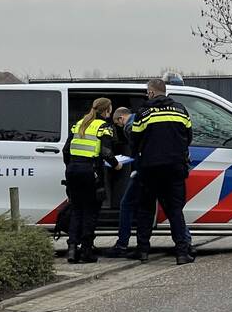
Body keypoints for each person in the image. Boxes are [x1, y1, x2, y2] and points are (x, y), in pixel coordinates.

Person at [131, 78, 194, 265]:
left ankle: (142, 251)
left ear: (151, 92)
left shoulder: (143, 112)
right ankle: (182, 253)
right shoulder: (181, 110)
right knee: (175, 211)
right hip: (175, 168)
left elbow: (135, 140)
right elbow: (189, 137)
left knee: (146, 210)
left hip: (150, 169)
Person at [62, 97, 122, 264]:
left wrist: (71, 167)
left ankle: (72, 249)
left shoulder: (79, 123)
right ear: (106, 111)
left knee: (76, 210)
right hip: (91, 173)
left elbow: (66, 151)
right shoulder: (104, 126)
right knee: (90, 212)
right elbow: (106, 153)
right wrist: (117, 165)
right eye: (110, 109)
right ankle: (86, 251)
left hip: (73, 171)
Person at [107, 107, 138, 258]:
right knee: (172, 208)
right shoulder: (143, 119)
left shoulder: (130, 126)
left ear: (121, 118)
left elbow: (137, 148)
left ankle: (122, 244)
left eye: (118, 124)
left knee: (126, 204)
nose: (121, 128)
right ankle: (185, 244)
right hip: (152, 169)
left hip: (143, 172)